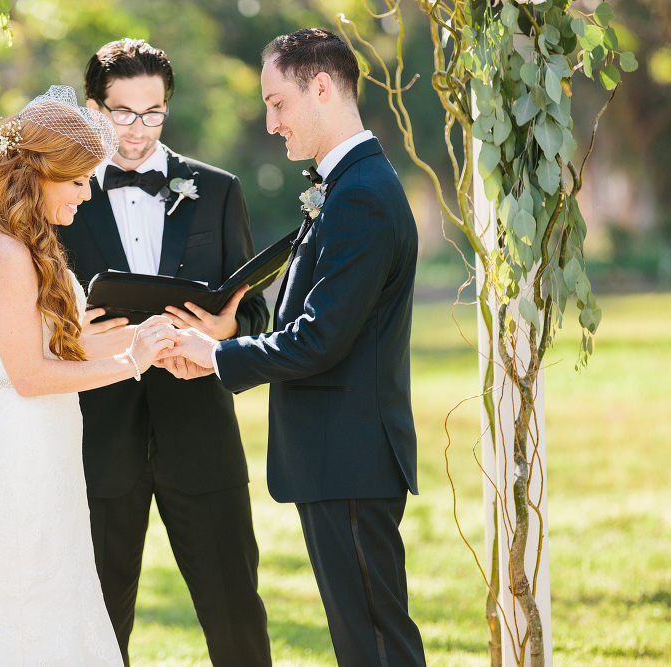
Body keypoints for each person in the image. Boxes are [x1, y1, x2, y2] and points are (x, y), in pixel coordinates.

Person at [167, 29, 428, 667]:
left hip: (350, 458)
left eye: (279, 102)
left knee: (375, 645)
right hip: (340, 458)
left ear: (321, 88)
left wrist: (217, 358)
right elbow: (322, 321)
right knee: (364, 640)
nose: (271, 121)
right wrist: (232, 333)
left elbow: (320, 339)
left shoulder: (361, 195)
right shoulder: (344, 186)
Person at [54, 39, 273, 666]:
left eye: (153, 113)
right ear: (95, 110)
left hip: (201, 438)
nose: (139, 130)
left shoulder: (220, 191)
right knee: (96, 628)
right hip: (97, 442)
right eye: (123, 112)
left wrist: (219, 336)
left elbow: (252, 313)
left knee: (236, 617)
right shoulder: (60, 199)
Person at [0, 85, 180, 666]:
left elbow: (65, 344)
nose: (88, 191)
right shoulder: (7, 253)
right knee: (30, 597)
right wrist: (130, 364)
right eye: (79, 179)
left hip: (47, 439)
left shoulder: (34, 245)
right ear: (42, 175)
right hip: (17, 444)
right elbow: (30, 374)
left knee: (61, 584)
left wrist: (150, 337)